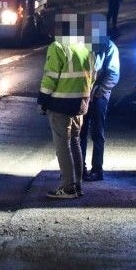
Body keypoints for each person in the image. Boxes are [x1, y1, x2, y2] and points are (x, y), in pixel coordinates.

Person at [38, 13, 94, 199]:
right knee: (75, 142)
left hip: (60, 103)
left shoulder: (58, 47)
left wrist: (42, 101)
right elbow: (93, 76)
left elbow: (50, 77)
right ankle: (77, 185)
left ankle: (68, 187)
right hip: (81, 103)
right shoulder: (86, 48)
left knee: (62, 146)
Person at [80, 13, 120, 181]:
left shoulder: (109, 47)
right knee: (80, 132)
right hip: (83, 95)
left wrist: (98, 92)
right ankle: (79, 168)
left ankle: (97, 169)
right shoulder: (83, 45)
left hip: (99, 96)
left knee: (97, 132)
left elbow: (113, 74)